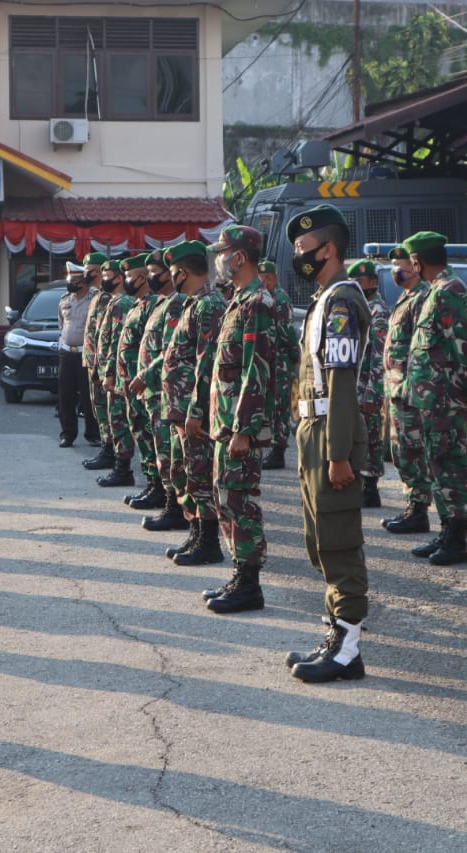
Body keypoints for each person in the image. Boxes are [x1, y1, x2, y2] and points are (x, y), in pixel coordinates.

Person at [282, 206, 371, 683]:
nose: (298, 256)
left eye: (303, 248)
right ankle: (334, 636)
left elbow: (340, 383)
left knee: (339, 542)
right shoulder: (322, 300)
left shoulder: (341, 302)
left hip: (331, 435)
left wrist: (338, 453)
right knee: (321, 543)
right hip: (313, 430)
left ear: (328, 249)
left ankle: (348, 650)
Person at [202, 225, 277, 615]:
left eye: (223, 252)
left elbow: (256, 368)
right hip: (226, 422)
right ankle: (238, 573)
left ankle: (250, 584)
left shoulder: (257, 303)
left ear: (239, 257)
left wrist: (245, 429)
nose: (218, 259)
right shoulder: (239, 300)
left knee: (241, 500)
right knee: (226, 497)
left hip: (239, 426)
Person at [404, 231, 467, 566]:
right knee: (437, 464)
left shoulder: (450, 290)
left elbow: (463, 343)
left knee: (452, 466)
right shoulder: (436, 290)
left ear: (418, 261)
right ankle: (447, 530)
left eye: (411, 261)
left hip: (445, 398)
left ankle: (457, 540)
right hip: (431, 398)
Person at [162, 240, 227, 566]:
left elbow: (208, 362)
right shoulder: (194, 304)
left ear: (183, 272)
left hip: (193, 412)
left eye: (173, 272)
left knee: (201, 476)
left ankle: (209, 541)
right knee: (187, 473)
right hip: (181, 411)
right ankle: (195, 531)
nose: (171, 278)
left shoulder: (209, 306)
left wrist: (196, 409)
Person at [132, 249, 189, 531]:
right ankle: (168, 500)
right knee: (162, 451)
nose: (151, 278)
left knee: (170, 454)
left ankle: (175, 509)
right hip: (155, 390)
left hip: (165, 390)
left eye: (155, 273)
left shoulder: (176, 305)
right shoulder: (162, 304)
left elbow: (170, 350)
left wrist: (147, 374)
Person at [380, 246, 433, 534]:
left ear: (414, 267)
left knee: (412, 450)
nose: (395, 270)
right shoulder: (406, 297)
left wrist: (412, 387)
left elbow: (419, 347)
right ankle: (413, 505)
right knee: (401, 450)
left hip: (410, 390)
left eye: (400, 264)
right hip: (396, 388)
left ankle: (419, 509)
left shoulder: (422, 297)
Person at [112, 255, 163, 505]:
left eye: (130, 277)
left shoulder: (153, 305)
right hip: (131, 382)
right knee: (140, 432)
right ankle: (151, 483)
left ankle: (159, 488)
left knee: (150, 434)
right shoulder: (137, 304)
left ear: (143, 278)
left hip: (145, 384)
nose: (126, 281)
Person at [347, 259, 390, 508]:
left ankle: (371, 487)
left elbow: (379, 354)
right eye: (353, 282)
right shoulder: (357, 307)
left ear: (373, 283)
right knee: (357, 435)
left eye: (360, 282)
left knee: (371, 435)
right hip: (354, 385)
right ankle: (359, 482)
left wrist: (374, 391)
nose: (356, 286)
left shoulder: (378, 311)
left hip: (367, 387)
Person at [95, 261, 137, 486]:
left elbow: (116, 343)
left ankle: (123, 469)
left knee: (120, 421)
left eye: (108, 275)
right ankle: (117, 462)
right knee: (114, 419)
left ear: (120, 278)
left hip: (119, 374)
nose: (104, 280)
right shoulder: (115, 302)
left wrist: (110, 372)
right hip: (112, 371)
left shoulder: (123, 303)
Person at [258, 260, 300, 470]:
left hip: (281, 361)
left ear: (273, 278)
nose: (263, 281)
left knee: (279, 407)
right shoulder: (267, 297)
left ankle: (278, 451)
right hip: (272, 360)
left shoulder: (280, 299)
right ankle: (274, 448)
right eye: (261, 278)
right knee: (272, 405)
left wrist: (294, 354)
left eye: (267, 278)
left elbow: (285, 330)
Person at [57, 261, 101, 448]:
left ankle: (93, 434)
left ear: (83, 282)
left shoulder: (95, 299)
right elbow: (61, 324)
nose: (71, 284)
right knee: (65, 396)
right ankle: (68, 434)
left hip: (86, 354)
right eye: (69, 280)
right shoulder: (64, 299)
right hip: (67, 353)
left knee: (88, 396)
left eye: (74, 280)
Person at [81, 253, 116, 469]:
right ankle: (106, 447)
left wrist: (100, 365)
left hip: (102, 365)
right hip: (93, 362)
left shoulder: (106, 297)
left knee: (106, 410)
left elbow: (105, 333)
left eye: (90, 269)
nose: (86, 273)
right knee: (97, 409)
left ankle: (110, 451)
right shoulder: (96, 295)